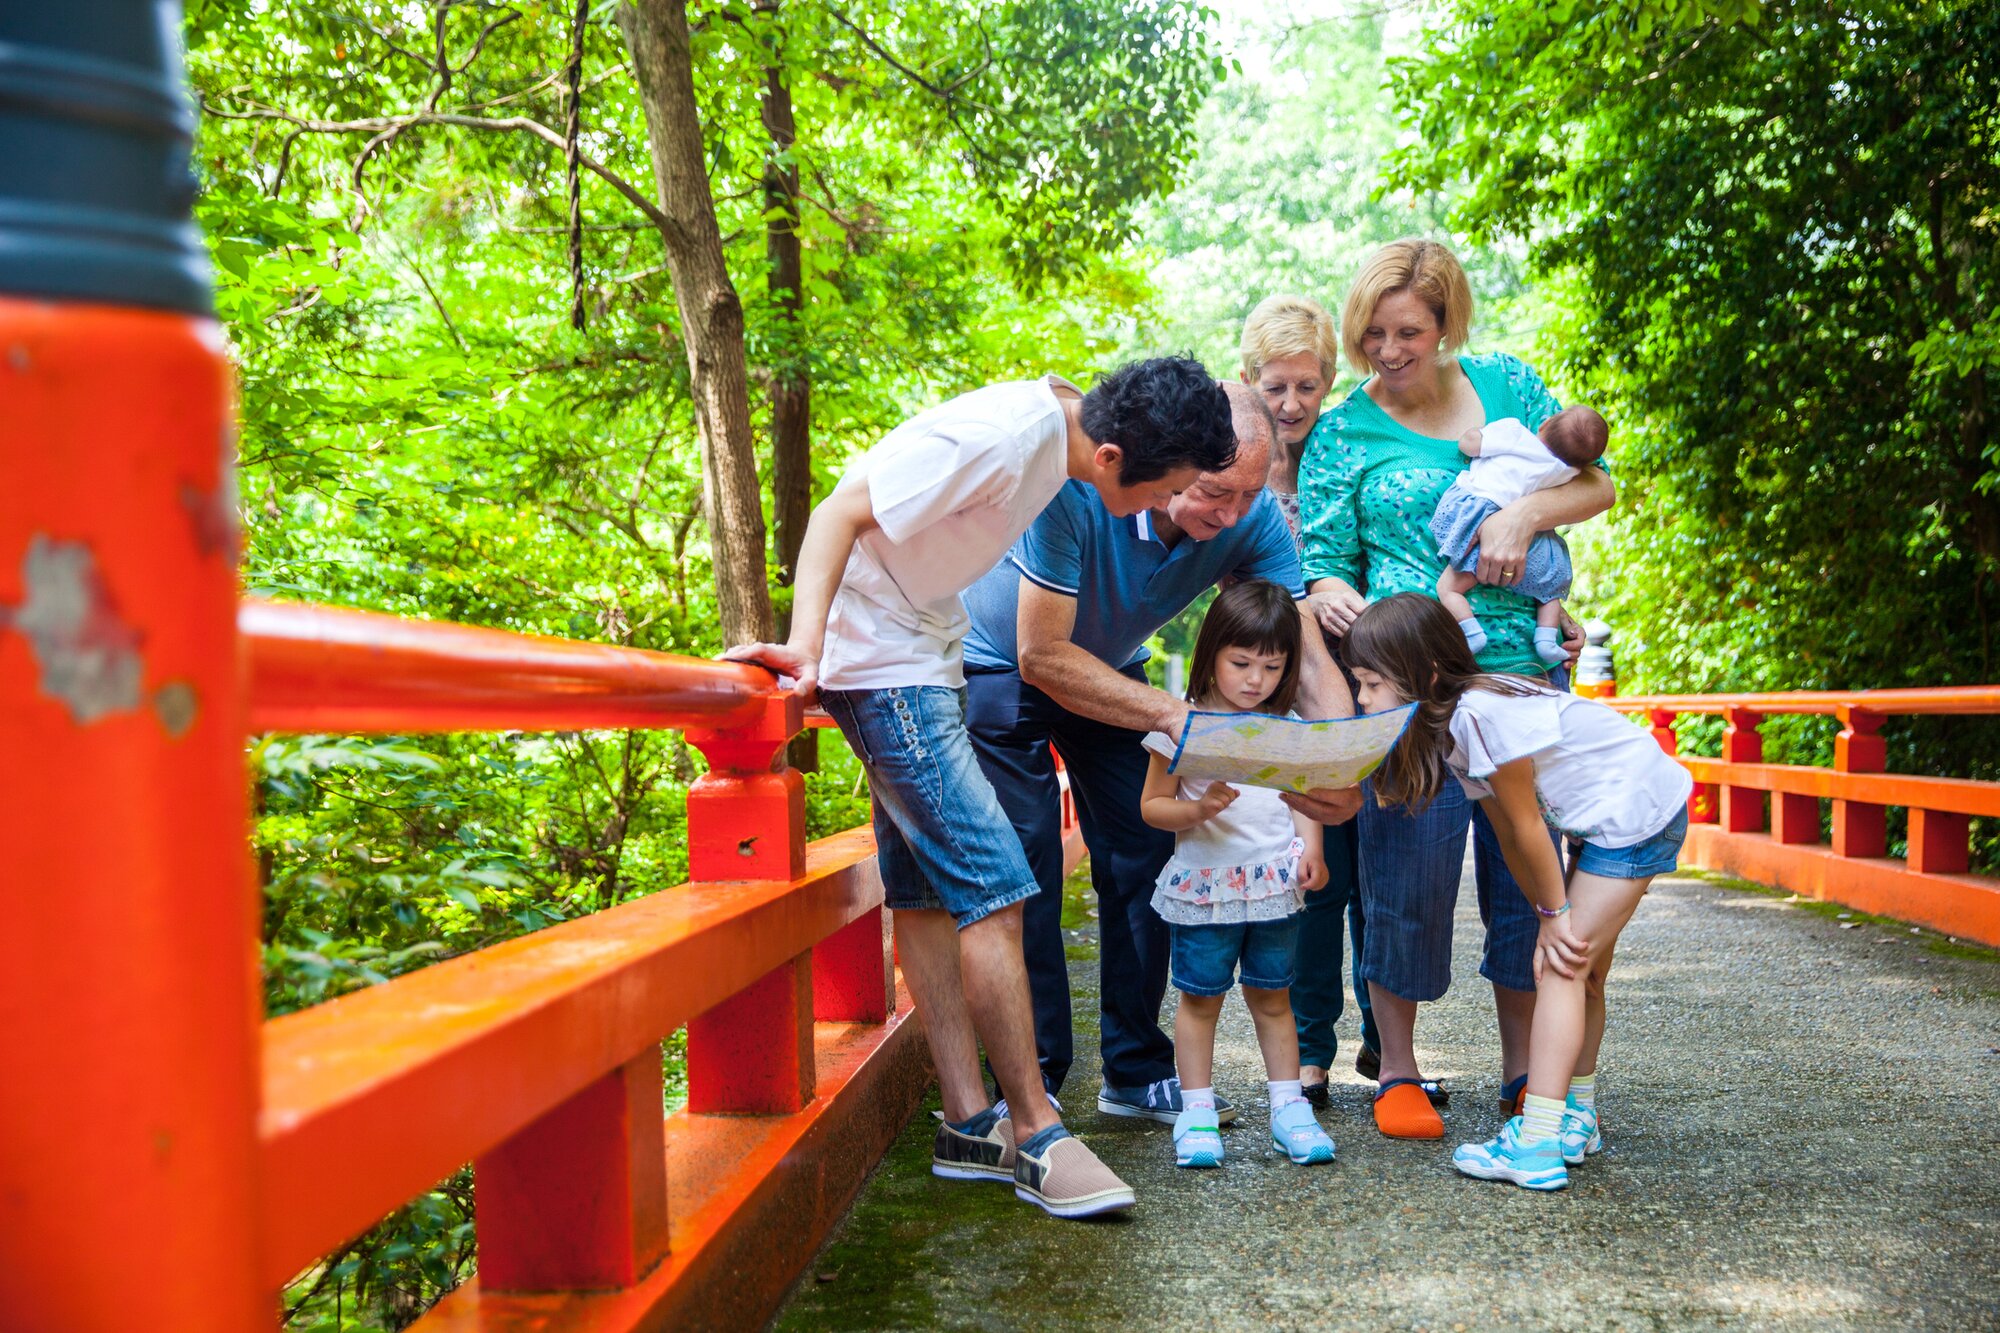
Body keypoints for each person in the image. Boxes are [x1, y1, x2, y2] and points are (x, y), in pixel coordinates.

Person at [724, 358, 1238, 1219]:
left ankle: (968, 1123)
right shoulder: (1003, 440)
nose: (1163, 510)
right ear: (1113, 457)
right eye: (1167, 490)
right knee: (997, 887)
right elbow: (839, 509)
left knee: (925, 894)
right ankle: (1038, 1133)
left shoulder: (1067, 429)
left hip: (928, 647)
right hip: (883, 664)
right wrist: (807, 653)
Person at [960, 382, 1357, 1126]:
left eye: (1248, 494)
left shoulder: (1251, 517)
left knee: (1146, 848)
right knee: (1027, 863)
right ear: (1176, 461)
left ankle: (1136, 1069)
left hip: (1112, 667)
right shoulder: (1079, 490)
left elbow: (1298, 650)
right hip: (1005, 664)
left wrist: (1340, 766)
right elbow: (1041, 654)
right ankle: (1035, 1076)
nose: (1231, 515)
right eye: (1215, 491)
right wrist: (1186, 720)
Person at [1296, 238, 1616, 1140]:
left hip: (1521, 673)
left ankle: (1527, 1068)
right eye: (1371, 336)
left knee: (1528, 873)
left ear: (1446, 325)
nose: (1388, 353)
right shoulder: (1342, 431)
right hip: (1408, 686)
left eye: (1408, 332)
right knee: (1409, 871)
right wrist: (1327, 591)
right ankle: (1397, 1068)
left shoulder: (1508, 384)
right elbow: (1324, 561)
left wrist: (1522, 512)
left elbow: (1592, 483)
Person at [1343, 594, 1691, 1189]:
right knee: (1584, 971)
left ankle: (1536, 1144)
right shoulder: (1451, 727)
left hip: (1634, 814)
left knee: (1561, 969)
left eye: (1373, 683)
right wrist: (1545, 911)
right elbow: (1504, 831)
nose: (1363, 699)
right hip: (1610, 816)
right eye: (1359, 682)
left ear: (1423, 674)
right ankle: (1575, 1117)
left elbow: (1531, 824)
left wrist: (1556, 918)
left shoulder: (1479, 713)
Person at [1138, 580, 1338, 1169]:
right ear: (1212, 656)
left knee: (1275, 997)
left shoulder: (1290, 726)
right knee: (1200, 999)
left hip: (1274, 886)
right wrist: (1195, 810)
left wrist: (1313, 849)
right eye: (1241, 662)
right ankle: (1196, 1113)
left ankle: (1288, 1109)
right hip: (1206, 890)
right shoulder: (1183, 727)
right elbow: (1152, 807)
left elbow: (1304, 799)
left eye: (1272, 666)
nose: (1255, 679)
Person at [1238, 294, 1377, 1104]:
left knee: (1365, 868)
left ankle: (1381, 1039)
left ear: (1329, 384)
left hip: (1353, 682)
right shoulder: (1232, 467)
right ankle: (1312, 1043)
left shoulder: (1345, 456)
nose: (1291, 406)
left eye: (1307, 388)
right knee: (1308, 874)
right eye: (1276, 387)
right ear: (1248, 378)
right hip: (1273, 691)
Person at [1434, 408, 1609, 662]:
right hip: (1526, 542)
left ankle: (1471, 633)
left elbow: (1470, 444)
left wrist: (1472, 434)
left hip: (1480, 513)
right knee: (1549, 589)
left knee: (1448, 588)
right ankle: (1546, 639)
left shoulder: (1515, 433)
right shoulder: (1569, 473)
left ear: (1545, 423)